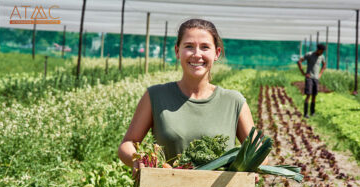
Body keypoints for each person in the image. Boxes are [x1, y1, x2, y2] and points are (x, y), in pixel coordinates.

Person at [118, 19, 267, 174]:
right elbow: (128, 143)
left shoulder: (234, 102)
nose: (197, 55)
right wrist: (138, 158)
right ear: (177, 51)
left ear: (216, 53)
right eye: (189, 46)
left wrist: (252, 166)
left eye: (205, 47)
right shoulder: (155, 96)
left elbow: (258, 152)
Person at [297, 44, 326, 118]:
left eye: (323, 52)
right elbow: (299, 61)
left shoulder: (322, 57)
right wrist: (303, 72)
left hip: (316, 78)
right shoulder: (309, 54)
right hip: (309, 78)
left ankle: (312, 112)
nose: (322, 53)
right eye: (321, 51)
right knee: (308, 95)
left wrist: (320, 74)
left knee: (314, 95)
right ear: (318, 49)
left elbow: (324, 65)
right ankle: (306, 113)